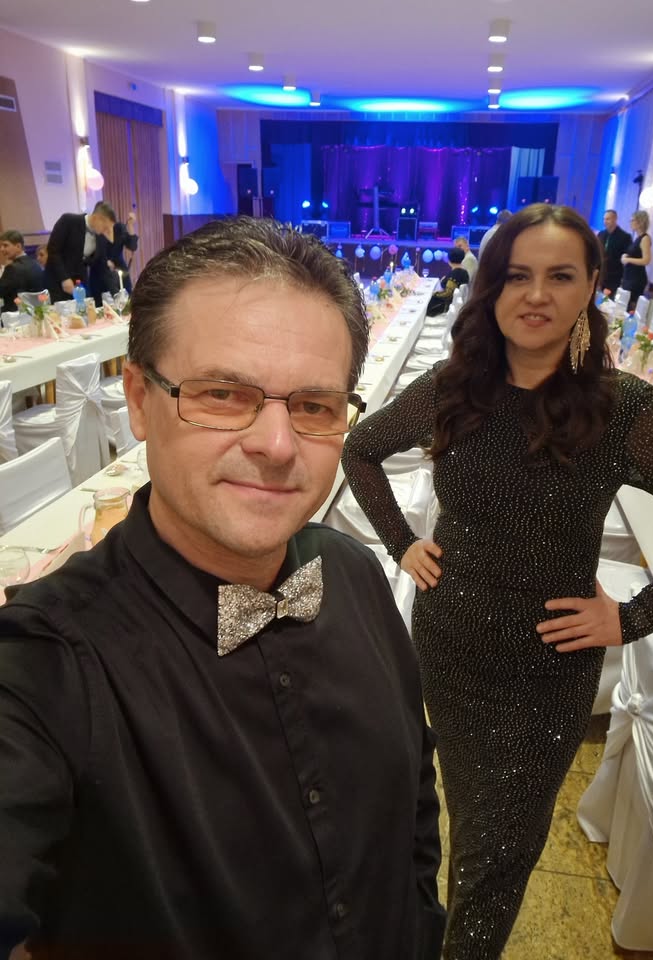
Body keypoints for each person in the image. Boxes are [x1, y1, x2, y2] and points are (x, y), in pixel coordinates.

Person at [0, 217, 446, 960]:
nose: (275, 445)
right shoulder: (45, 665)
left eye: (314, 406)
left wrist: (422, 925)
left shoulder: (358, 574)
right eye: (222, 393)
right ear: (138, 400)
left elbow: (415, 800)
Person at [341, 203, 653, 959]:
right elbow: (360, 450)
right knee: (470, 822)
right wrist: (402, 544)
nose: (536, 294)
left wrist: (632, 617)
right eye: (517, 276)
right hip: (450, 648)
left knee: (499, 856)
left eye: (560, 276)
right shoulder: (455, 387)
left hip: (549, 667)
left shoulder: (621, 409)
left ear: (591, 287)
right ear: (492, 287)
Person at [44, 200, 116, 303]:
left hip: (79, 284)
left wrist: (116, 294)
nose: (105, 231)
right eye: (105, 227)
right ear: (96, 218)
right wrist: (64, 278)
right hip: (57, 282)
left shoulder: (100, 238)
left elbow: (103, 267)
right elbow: (53, 250)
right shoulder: (68, 220)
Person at [88, 210, 139, 303]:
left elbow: (132, 246)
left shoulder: (119, 228)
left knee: (126, 300)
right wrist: (105, 261)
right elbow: (89, 255)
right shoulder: (94, 232)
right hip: (99, 270)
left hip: (119, 269)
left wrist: (131, 225)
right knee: (100, 304)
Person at [0, 230, 45, 310]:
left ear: (18, 246)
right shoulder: (36, 265)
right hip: (38, 312)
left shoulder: (12, 268)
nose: (1, 249)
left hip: (15, 314)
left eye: (5, 245)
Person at [621, 209, 652, 308]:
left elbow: (646, 260)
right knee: (624, 304)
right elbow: (636, 254)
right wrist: (626, 256)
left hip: (636, 279)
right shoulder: (637, 238)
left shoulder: (645, 238)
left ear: (640, 222)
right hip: (629, 276)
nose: (630, 222)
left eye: (632, 220)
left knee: (629, 306)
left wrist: (628, 260)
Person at [597, 209, 631, 297]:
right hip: (600, 274)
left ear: (615, 219)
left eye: (608, 219)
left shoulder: (625, 237)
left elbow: (626, 258)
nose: (605, 221)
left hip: (614, 276)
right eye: (604, 219)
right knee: (597, 299)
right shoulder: (601, 234)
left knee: (608, 300)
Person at [426, 248, 469, 317]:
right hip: (454, 305)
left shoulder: (455, 274)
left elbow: (448, 293)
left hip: (446, 306)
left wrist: (433, 294)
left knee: (425, 303)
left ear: (449, 260)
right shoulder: (464, 272)